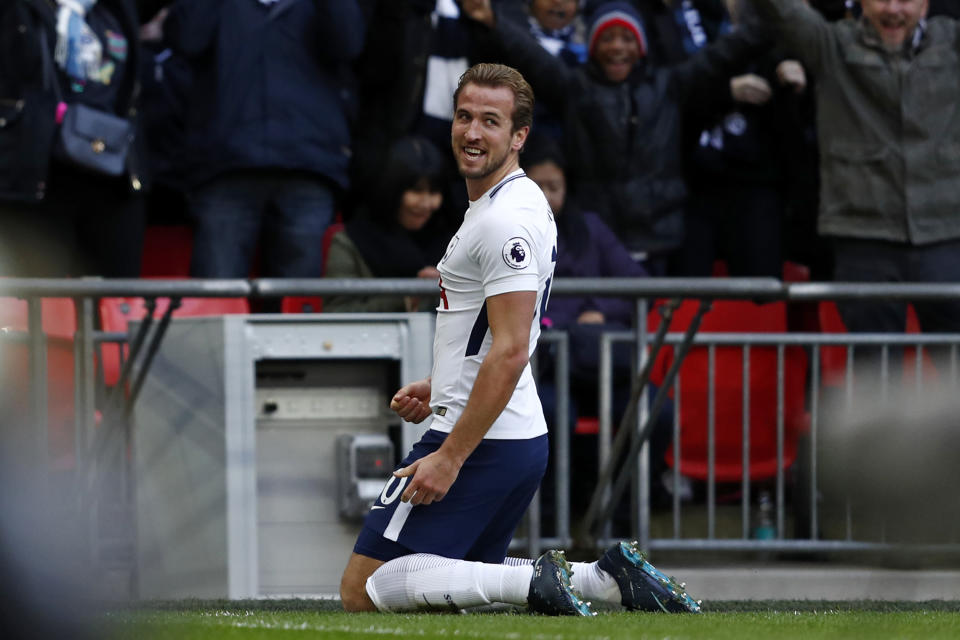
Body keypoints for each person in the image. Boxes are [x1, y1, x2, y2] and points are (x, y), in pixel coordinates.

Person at [339, 62, 699, 616]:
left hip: (480, 438)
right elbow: (504, 334)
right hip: (505, 432)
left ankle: (539, 585)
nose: (473, 132)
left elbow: (509, 349)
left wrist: (450, 457)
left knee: (365, 589)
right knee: (460, 584)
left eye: (490, 120)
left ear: (519, 135)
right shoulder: (515, 200)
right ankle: (603, 578)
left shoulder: (503, 218)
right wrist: (442, 380)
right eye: (464, 116)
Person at [463, 0, 777, 274]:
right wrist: (493, 22)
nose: (617, 47)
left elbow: (722, 55)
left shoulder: (669, 86)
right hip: (599, 239)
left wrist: (779, 19)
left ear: (640, 46)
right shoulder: (575, 88)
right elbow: (531, 56)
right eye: (608, 37)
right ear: (594, 45)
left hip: (662, 241)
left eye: (627, 38)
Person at [748, 0, 960, 353]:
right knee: (874, 382)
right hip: (865, 241)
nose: (893, 9)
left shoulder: (952, 43)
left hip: (946, 237)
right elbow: (778, 8)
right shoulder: (831, 45)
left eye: (906, 0)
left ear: (925, 4)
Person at [163, 0, 365, 279]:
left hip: (307, 166)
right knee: (220, 299)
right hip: (226, 166)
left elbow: (349, 43)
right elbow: (185, 38)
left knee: (299, 305)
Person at [0, 0, 148, 277]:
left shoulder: (115, 10)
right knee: (35, 303)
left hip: (112, 171)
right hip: (38, 173)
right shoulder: (16, 9)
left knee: (117, 300)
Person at [324, 136, 451, 313]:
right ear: (391, 189)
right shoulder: (350, 243)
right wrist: (407, 297)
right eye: (416, 190)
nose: (426, 203)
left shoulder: (455, 246)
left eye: (434, 191)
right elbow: (336, 314)